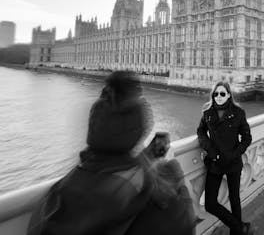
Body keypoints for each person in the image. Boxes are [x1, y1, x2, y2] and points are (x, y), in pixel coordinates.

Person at [28, 71, 198, 235]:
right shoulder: (153, 202)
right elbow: (184, 226)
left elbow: (110, 166)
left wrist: (146, 157)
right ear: (137, 132)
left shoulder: (56, 196)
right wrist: (179, 185)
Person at [197, 82, 253, 235]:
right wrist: (210, 149)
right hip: (215, 162)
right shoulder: (207, 112)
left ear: (229, 95)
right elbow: (200, 132)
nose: (219, 97)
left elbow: (247, 138)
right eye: (216, 94)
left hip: (233, 162)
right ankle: (240, 227)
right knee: (210, 203)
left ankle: (236, 232)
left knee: (234, 199)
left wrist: (235, 154)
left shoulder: (238, 112)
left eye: (222, 93)